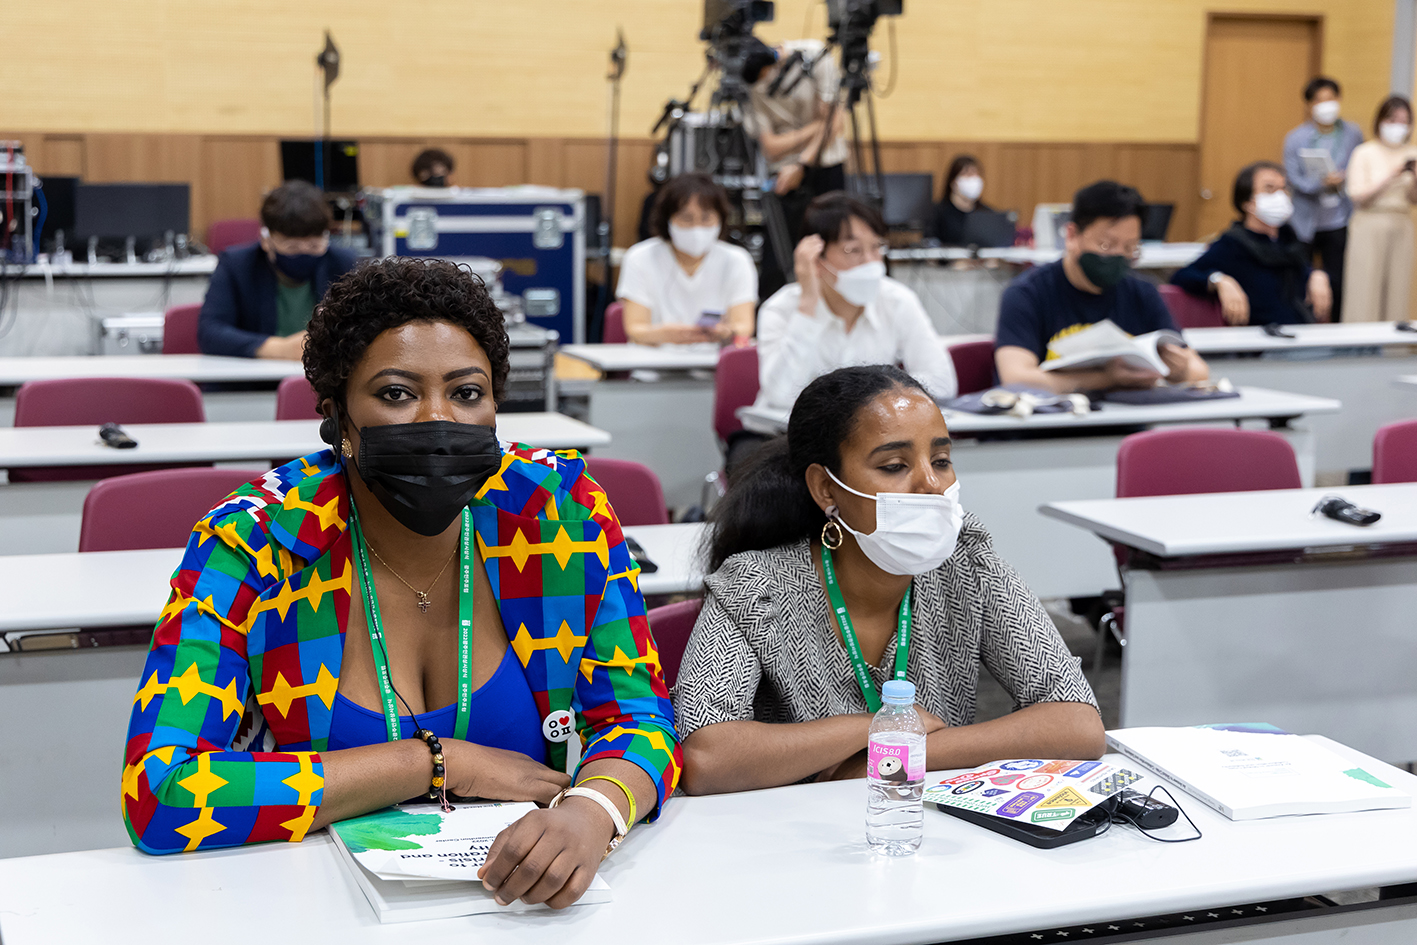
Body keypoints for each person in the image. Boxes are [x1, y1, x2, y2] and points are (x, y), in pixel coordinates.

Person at [123, 258, 681, 910]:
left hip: (523, 912)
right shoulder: (257, 542)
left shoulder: (559, 514)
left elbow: (637, 716)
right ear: (338, 418)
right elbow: (160, 793)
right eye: (396, 393)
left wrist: (593, 810)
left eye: (467, 393)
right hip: (322, 906)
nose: (436, 420)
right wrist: (436, 761)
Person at [674, 365, 1105, 794]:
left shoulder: (966, 558)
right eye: (895, 465)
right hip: (788, 839)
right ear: (826, 489)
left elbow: (1077, 724)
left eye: (941, 460)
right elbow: (706, 757)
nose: (931, 484)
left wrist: (886, 760)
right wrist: (876, 728)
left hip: (924, 830)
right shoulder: (757, 585)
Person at [995, 180, 1209, 393]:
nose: (1117, 256)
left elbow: (1199, 370)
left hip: (1125, 424)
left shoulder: (1143, 293)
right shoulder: (1027, 293)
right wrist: (1105, 379)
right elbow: (1016, 378)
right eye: (1106, 245)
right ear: (1072, 236)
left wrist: (1179, 372)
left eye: (1129, 247)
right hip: (1049, 422)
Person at [755, 191, 958, 414]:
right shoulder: (781, 308)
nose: (870, 262)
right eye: (853, 250)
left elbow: (942, 383)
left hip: (868, 437)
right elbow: (780, 395)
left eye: (876, 247)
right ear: (815, 256)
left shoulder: (897, 300)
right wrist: (808, 306)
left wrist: (868, 398)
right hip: (782, 436)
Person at [197, 181, 357, 360]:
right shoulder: (237, 266)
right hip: (254, 382)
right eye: (292, 247)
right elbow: (210, 332)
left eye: (314, 245)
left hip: (325, 381)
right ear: (266, 240)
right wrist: (280, 349)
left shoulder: (343, 264)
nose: (303, 253)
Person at [742, 37, 849, 299]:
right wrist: (816, 127)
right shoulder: (751, 81)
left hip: (826, 168)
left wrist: (802, 162)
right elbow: (771, 147)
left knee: (828, 247)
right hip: (783, 175)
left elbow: (835, 126)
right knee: (776, 261)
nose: (764, 84)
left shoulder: (816, 58)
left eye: (767, 75)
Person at [1171, 162, 1332, 326]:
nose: (1280, 196)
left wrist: (1317, 274)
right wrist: (1219, 280)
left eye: (1283, 189)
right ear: (1247, 202)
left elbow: (1300, 274)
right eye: (1269, 189)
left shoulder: (1288, 239)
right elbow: (1181, 276)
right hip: (1262, 339)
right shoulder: (1233, 244)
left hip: (1301, 331)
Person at [615, 172, 757, 345]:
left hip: (714, 364)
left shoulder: (737, 260)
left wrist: (724, 332)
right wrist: (664, 334)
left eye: (706, 219)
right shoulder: (640, 257)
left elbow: (744, 327)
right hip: (653, 365)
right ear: (667, 219)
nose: (697, 228)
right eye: (686, 219)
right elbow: (635, 330)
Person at [1284, 76, 1363, 321]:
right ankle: (1301, 323)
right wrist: (1320, 183)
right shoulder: (1296, 138)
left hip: (1338, 218)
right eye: (1320, 100)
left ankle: (1338, 328)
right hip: (1304, 220)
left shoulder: (1352, 133)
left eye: (1331, 99)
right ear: (1309, 105)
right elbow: (1292, 177)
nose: (1326, 105)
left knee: (1337, 279)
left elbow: (1360, 166)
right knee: (1300, 276)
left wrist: (1344, 179)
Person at [1344, 95, 1417, 322]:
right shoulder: (1364, 152)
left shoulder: (1412, 153)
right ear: (1380, 121)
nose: (1398, 126)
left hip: (1402, 223)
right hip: (1369, 222)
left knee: (1399, 288)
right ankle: (1359, 347)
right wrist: (1392, 175)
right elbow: (1358, 196)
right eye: (1393, 120)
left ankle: (1397, 349)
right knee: (1364, 286)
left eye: (1404, 121)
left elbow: (1413, 199)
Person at [927, 155, 993, 245]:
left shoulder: (988, 214)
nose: (973, 180)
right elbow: (931, 246)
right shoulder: (936, 213)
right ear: (953, 182)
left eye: (976, 174)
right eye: (967, 174)